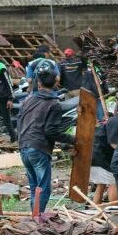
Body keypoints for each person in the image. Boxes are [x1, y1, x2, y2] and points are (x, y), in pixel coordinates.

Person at [17, 68, 74, 213]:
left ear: (39, 84)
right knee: (43, 188)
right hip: (38, 147)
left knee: (34, 187)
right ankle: (37, 219)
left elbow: (19, 122)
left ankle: (34, 218)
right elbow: (51, 131)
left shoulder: (27, 99)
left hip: (24, 147)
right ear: (55, 83)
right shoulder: (53, 104)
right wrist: (73, 139)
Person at [90, 99, 118, 204]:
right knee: (115, 181)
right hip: (100, 158)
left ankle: (97, 209)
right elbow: (113, 143)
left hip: (96, 157)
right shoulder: (116, 121)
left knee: (101, 185)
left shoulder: (114, 120)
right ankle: (114, 209)